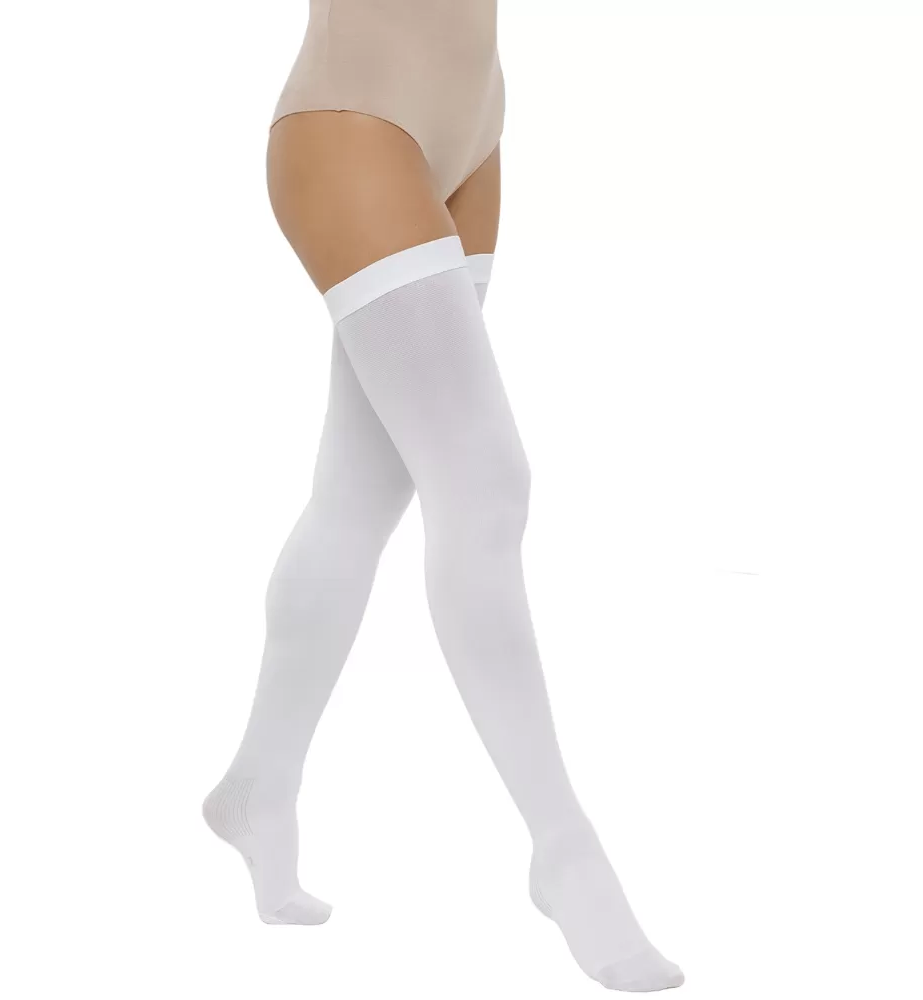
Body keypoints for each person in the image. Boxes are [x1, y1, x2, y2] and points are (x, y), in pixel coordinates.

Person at [204, 2, 683, 991]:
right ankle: (564, 848)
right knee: (484, 482)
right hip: (354, 116)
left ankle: (257, 784)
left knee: (361, 490)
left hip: (471, 126)